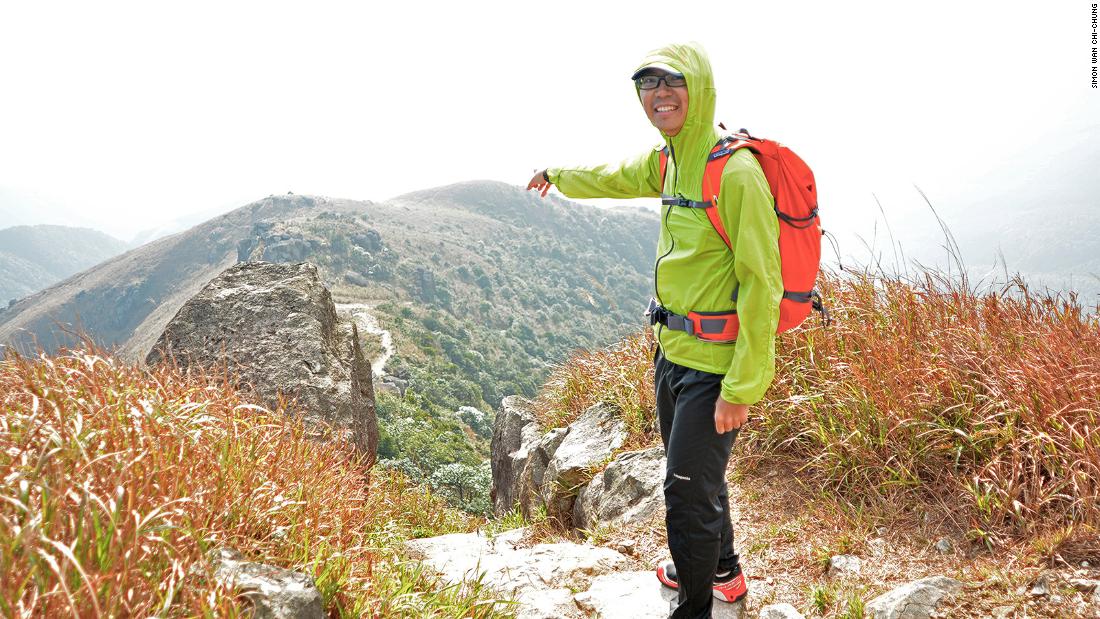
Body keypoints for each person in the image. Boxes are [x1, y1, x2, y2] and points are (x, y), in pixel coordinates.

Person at [526, 41, 783, 619]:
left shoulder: (734, 172)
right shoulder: (668, 160)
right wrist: (559, 175)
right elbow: (615, 177)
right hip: (672, 353)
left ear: (700, 89)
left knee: (685, 492)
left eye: (673, 82)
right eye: (649, 85)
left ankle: (693, 609)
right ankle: (723, 572)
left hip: (715, 364)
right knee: (696, 474)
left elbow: (763, 283)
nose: (660, 94)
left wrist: (742, 388)